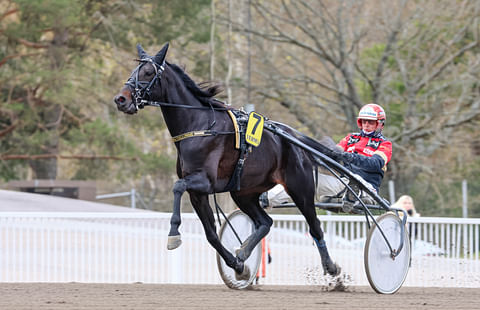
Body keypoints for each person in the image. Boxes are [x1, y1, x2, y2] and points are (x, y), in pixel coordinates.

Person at [264, 103, 392, 211]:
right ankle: (265, 198)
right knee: (305, 178)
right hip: (342, 183)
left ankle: (354, 195)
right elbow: (335, 154)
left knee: (356, 179)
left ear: (379, 124)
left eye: (370, 122)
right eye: (364, 121)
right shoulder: (351, 138)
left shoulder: (385, 144)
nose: (366, 125)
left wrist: (349, 156)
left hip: (366, 187)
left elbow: (376, 163)